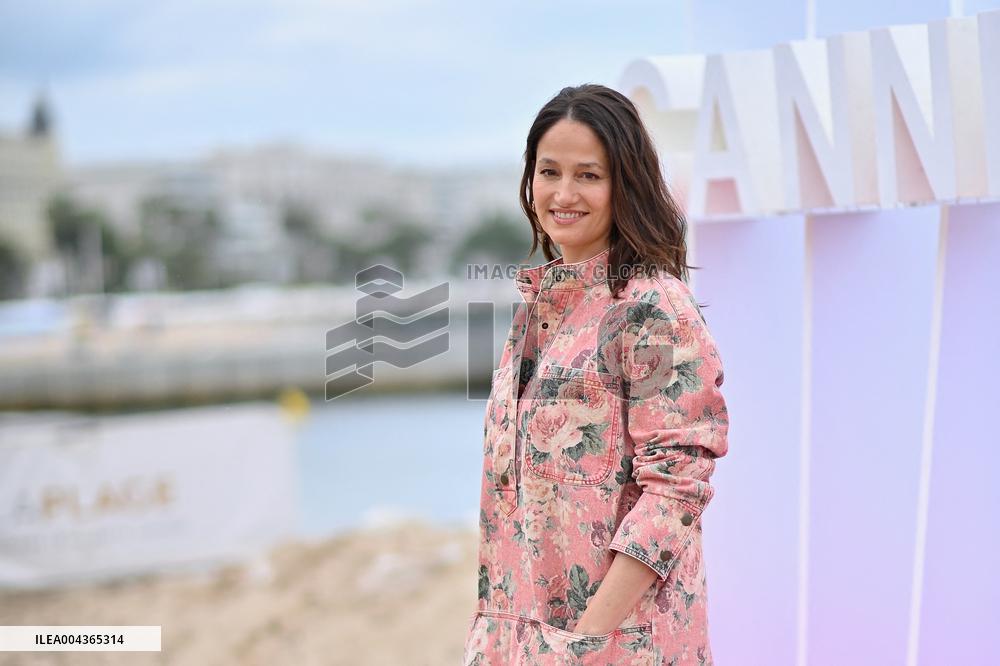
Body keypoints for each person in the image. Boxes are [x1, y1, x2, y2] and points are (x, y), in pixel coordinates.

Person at [462, 83, 730, 665]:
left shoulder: (653, 310)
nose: (563, 193)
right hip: (519, 642)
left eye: (588, 175)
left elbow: (674, 492)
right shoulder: (537, 314)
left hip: (616, 647)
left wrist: (583, 644)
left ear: (623, 184)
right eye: (548, 171)